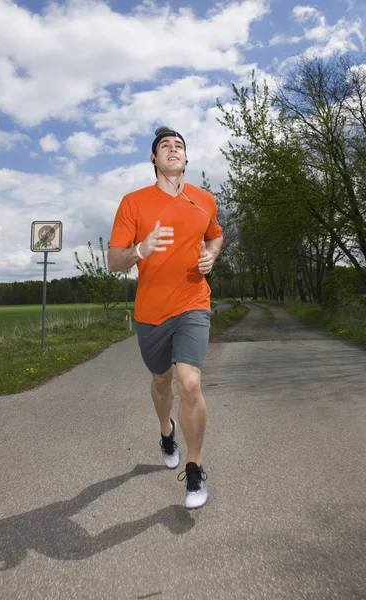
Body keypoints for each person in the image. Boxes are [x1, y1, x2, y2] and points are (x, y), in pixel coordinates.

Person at [108, 126, 223, 509]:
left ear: (186, 159)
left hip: (193, 303)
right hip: (152, 313)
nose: (173, 150)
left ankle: (194, 468)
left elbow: (215, 235)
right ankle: (165, 430)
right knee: (161, 381)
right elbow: (113, 260)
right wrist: (140, 249)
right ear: (154, 159)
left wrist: (212, 255)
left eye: (179, 146)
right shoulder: (133, 203)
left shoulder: (205, 199)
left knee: (189, 384)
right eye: (164, 146)